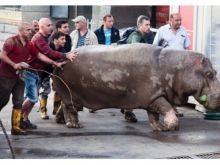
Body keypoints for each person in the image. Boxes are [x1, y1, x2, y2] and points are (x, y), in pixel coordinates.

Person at [0, 22, 65, 135]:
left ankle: (16, 127)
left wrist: (54, 62)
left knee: (18, 101)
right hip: (6, 76)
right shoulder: (11, 41)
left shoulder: (29, 44)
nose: (31, 32)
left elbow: (39, 55)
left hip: (20, 76)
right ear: (20, 31)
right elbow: (2, 55)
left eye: (31, 30)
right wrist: (14, 64)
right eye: (27, 30)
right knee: (2, 100)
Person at [21, 18, 76, 127]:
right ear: (41, 27)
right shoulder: (39, 38)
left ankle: (24, 119)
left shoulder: (45, 38)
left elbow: (42, 56)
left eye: (51, 25)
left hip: (38, 72)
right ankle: (17, 119)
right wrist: (66, 55)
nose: (51, 27)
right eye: (48, 25)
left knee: (33, 99)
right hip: (31, 72)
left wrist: (54, 63)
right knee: (31, 98)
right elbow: (48, 52)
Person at [55, 15, 98, 127]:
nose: (75, 24)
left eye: (77, 22)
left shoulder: (92, 35)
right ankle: (68, 116)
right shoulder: (73, 34)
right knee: (72, 90)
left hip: (86, 65)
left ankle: (62, 115)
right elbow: (68, 48)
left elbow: (96, 50)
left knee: (78, 90)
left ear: (83, 23)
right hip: (72, 64)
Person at [153, 13, 191, 117]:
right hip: (166, 65)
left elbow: (187, 47)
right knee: (166, 87)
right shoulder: (162, 30)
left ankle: (174, 108)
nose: (179, 22)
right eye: (177, 20)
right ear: (170, 19)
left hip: (180, 65)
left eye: (180, 20)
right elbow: (155, 47)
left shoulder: (183, 30)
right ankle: (166, 108)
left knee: (176, 87)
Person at [38, 20, 72, 119]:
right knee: (45, 90)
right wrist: (54, 63)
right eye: (62, 39)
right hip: (45, 71)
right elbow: (48, 57)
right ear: (55, 40)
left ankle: (56, 110)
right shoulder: (49, 46)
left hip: (55, 72)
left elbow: (65, 57)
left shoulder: (62, 49)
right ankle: (43, 111)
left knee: (58, 89)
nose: (65, 41)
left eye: (65, 39)